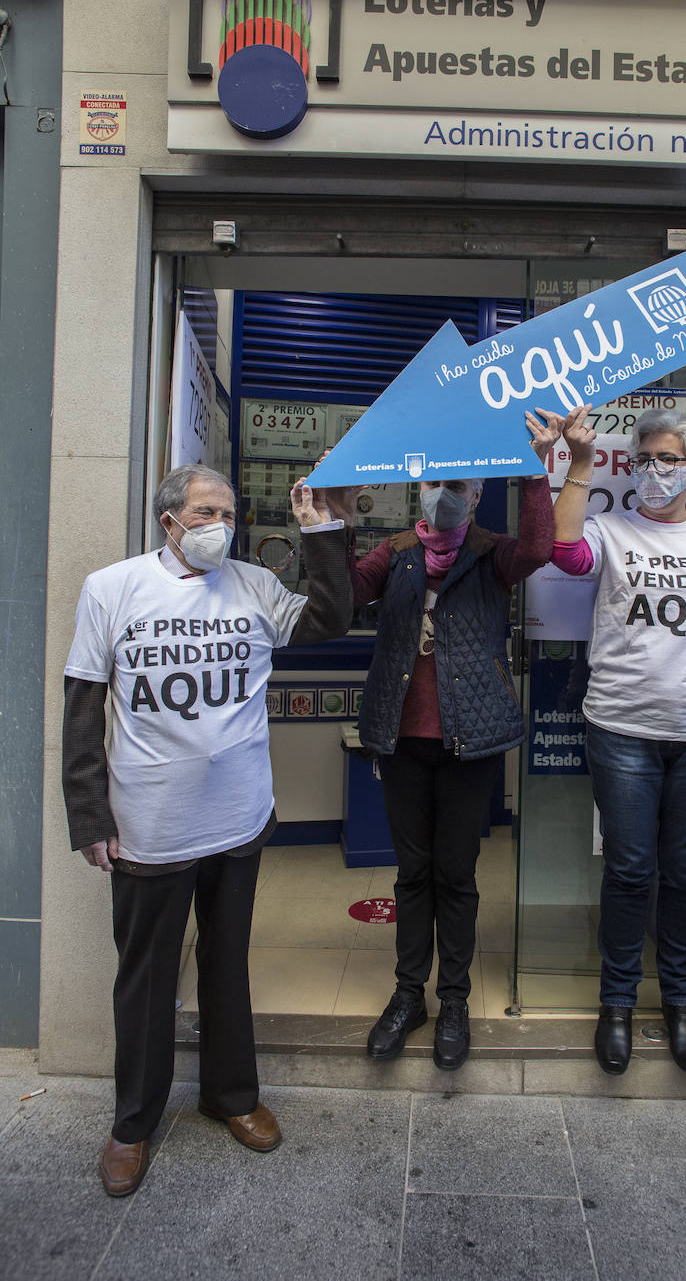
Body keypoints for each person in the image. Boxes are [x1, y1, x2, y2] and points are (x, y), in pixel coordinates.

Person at [62, 463, 352, 1197]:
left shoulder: (253, 585)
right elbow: (83, 711)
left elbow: (327, 621)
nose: (220, 522)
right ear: (169, 520)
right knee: (148, 979)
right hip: (149, 827)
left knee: (227, 965)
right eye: (204, 510)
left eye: (227, 510)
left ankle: (231, 1095)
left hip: (239, 820)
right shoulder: (112, 588)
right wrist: (89, 815)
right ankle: (133, 1123)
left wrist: (320, 528)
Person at [348, 410, 562, 1071]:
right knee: (413, 872)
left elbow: (538, 549)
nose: (445, 493)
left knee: (457, 874)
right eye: (435, 483)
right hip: (401, 737)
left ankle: (456, 999)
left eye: (459, 486)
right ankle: (408, 995)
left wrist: (534, 469)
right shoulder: (396, 556)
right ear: (419, 491)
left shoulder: (491, 554)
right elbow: (344, 596)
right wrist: (329, 522)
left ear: (476, 495)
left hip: (471, 740)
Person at [551, 407, 686, 1076]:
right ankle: (616, 1004)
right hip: (622, 731)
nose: (653, 470)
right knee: (631, 870)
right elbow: (564, 553)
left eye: (667, 459)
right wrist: (581, 463)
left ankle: (681, 1005)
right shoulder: (613, 532)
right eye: (645, 459)